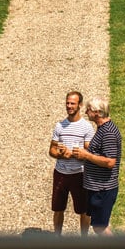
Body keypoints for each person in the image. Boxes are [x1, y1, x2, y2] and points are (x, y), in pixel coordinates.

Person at [70, 96, 123, 249]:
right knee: (100, 225)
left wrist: (86, 155)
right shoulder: (102, 129)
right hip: (97, 186)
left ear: (98, 113)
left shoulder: (108, 133)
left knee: (101, 227)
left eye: (89, 110)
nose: (86, 112)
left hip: (104, 188)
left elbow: (110, 162)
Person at [48, 89, 94, 235]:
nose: (69, 106)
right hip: (60, 173)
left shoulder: (87, 127)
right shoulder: (59, 126)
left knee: (84, 210)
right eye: (67, 103)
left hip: (79, 174)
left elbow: (89, 153)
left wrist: (72, 154)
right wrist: (61, 155)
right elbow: (51, 150)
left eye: (72, 103)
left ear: (79, 105)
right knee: (57, 208)